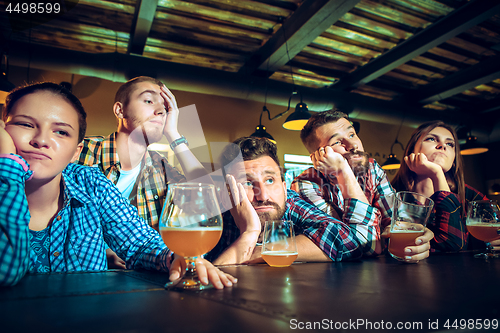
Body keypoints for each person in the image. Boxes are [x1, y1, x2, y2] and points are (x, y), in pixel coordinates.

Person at [0, 82, 236, 288]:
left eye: (60, 132)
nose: (41, 140)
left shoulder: (103, 179)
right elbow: (7, 270)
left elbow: (204, 200)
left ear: (75, 151)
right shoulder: (90, 155)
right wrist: (8, 166)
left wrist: (177, 256)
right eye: (25, 125)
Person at [75, 76, 210, 267]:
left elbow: (208, 197)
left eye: (165, 108)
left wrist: (173, 134)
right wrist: (99, 250)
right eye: (148, 100)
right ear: (119, 110)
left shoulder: (161, 168)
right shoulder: (81, 152)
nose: (160, 110)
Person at [291, 110, 433, 263]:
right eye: (337, 142)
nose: (353, 145)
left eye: (352, 135)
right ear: (318, 157)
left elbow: (398, 225)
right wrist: (342, 171)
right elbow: (362, 244)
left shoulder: (372, 169)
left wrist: (418, 240)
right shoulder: (305, 185)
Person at [206, 136, 368, 265]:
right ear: (227, 194)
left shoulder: (288, 200)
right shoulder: (213, 212)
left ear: (284, 187)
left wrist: (258, 251)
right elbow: (197, 272)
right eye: (248, 183)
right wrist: (250, 233)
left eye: (270, 180)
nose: (263, 196)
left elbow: (346, 239)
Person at [390, 120, 496, 251]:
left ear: (453, 159)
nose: (442, 146)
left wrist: (436, 173)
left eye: (450, 144)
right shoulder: (390, 194)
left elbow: (455, 246)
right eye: (431, 139)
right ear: (412, 150)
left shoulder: (470, 196)